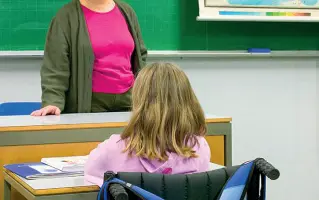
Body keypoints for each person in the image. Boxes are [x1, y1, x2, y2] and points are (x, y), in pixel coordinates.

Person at [84, 63, 211, 187]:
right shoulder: (199, 148)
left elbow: (90, 175)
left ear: (139, 101)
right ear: (188, 101)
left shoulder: (113, 150)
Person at [31, 0, 147, 116]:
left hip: (130, 101)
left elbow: (140, 56)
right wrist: (53, 101)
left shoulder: (127, 12)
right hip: (89, 104)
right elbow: (55, 68)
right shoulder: (65, 17)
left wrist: (143, 94)